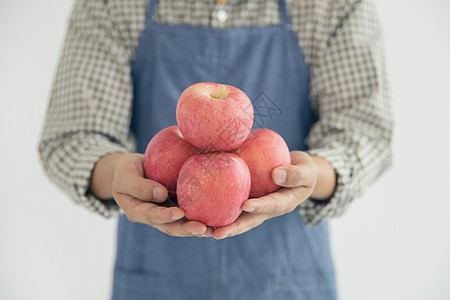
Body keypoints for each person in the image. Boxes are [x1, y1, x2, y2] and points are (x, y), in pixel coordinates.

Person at [39, 0, 393, 299]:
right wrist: (117, 173)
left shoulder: (332, 5)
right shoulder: (113, 5)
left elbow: (365, 131)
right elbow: (73, 137)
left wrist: (312, 175)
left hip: (287, 277)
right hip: (157, 277)